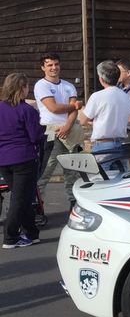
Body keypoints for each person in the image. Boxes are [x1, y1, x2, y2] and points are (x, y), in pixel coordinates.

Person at [0, 74, 44, 249]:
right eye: (27, 86)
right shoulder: (27, 110)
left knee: (23, 198)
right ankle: (10, 237)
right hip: (23, 158)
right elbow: (35, 136)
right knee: (19, 199)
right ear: (22, 88)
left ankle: (32, 233)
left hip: (3, 159)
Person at [34, 52, 83, 209]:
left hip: (69, 131)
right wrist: (74, 106)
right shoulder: (41, 85)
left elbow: (73, 111)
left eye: (56, 64)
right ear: (43, 68)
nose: (54, 67)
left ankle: (74, 205)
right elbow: (53, 108)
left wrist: (68, 125)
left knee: (72, 171)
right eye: (49, 65)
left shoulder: (68, 86)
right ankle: (37, 206)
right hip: (50, 131)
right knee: (46, 169)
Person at [80, 61, 130, 168]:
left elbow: (83, 120)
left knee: (102, 180)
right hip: (121, 142)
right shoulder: (126, 96)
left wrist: (80, 109)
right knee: (119, 179)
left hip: (103, 145)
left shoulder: (97, 96)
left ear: (101, 79)